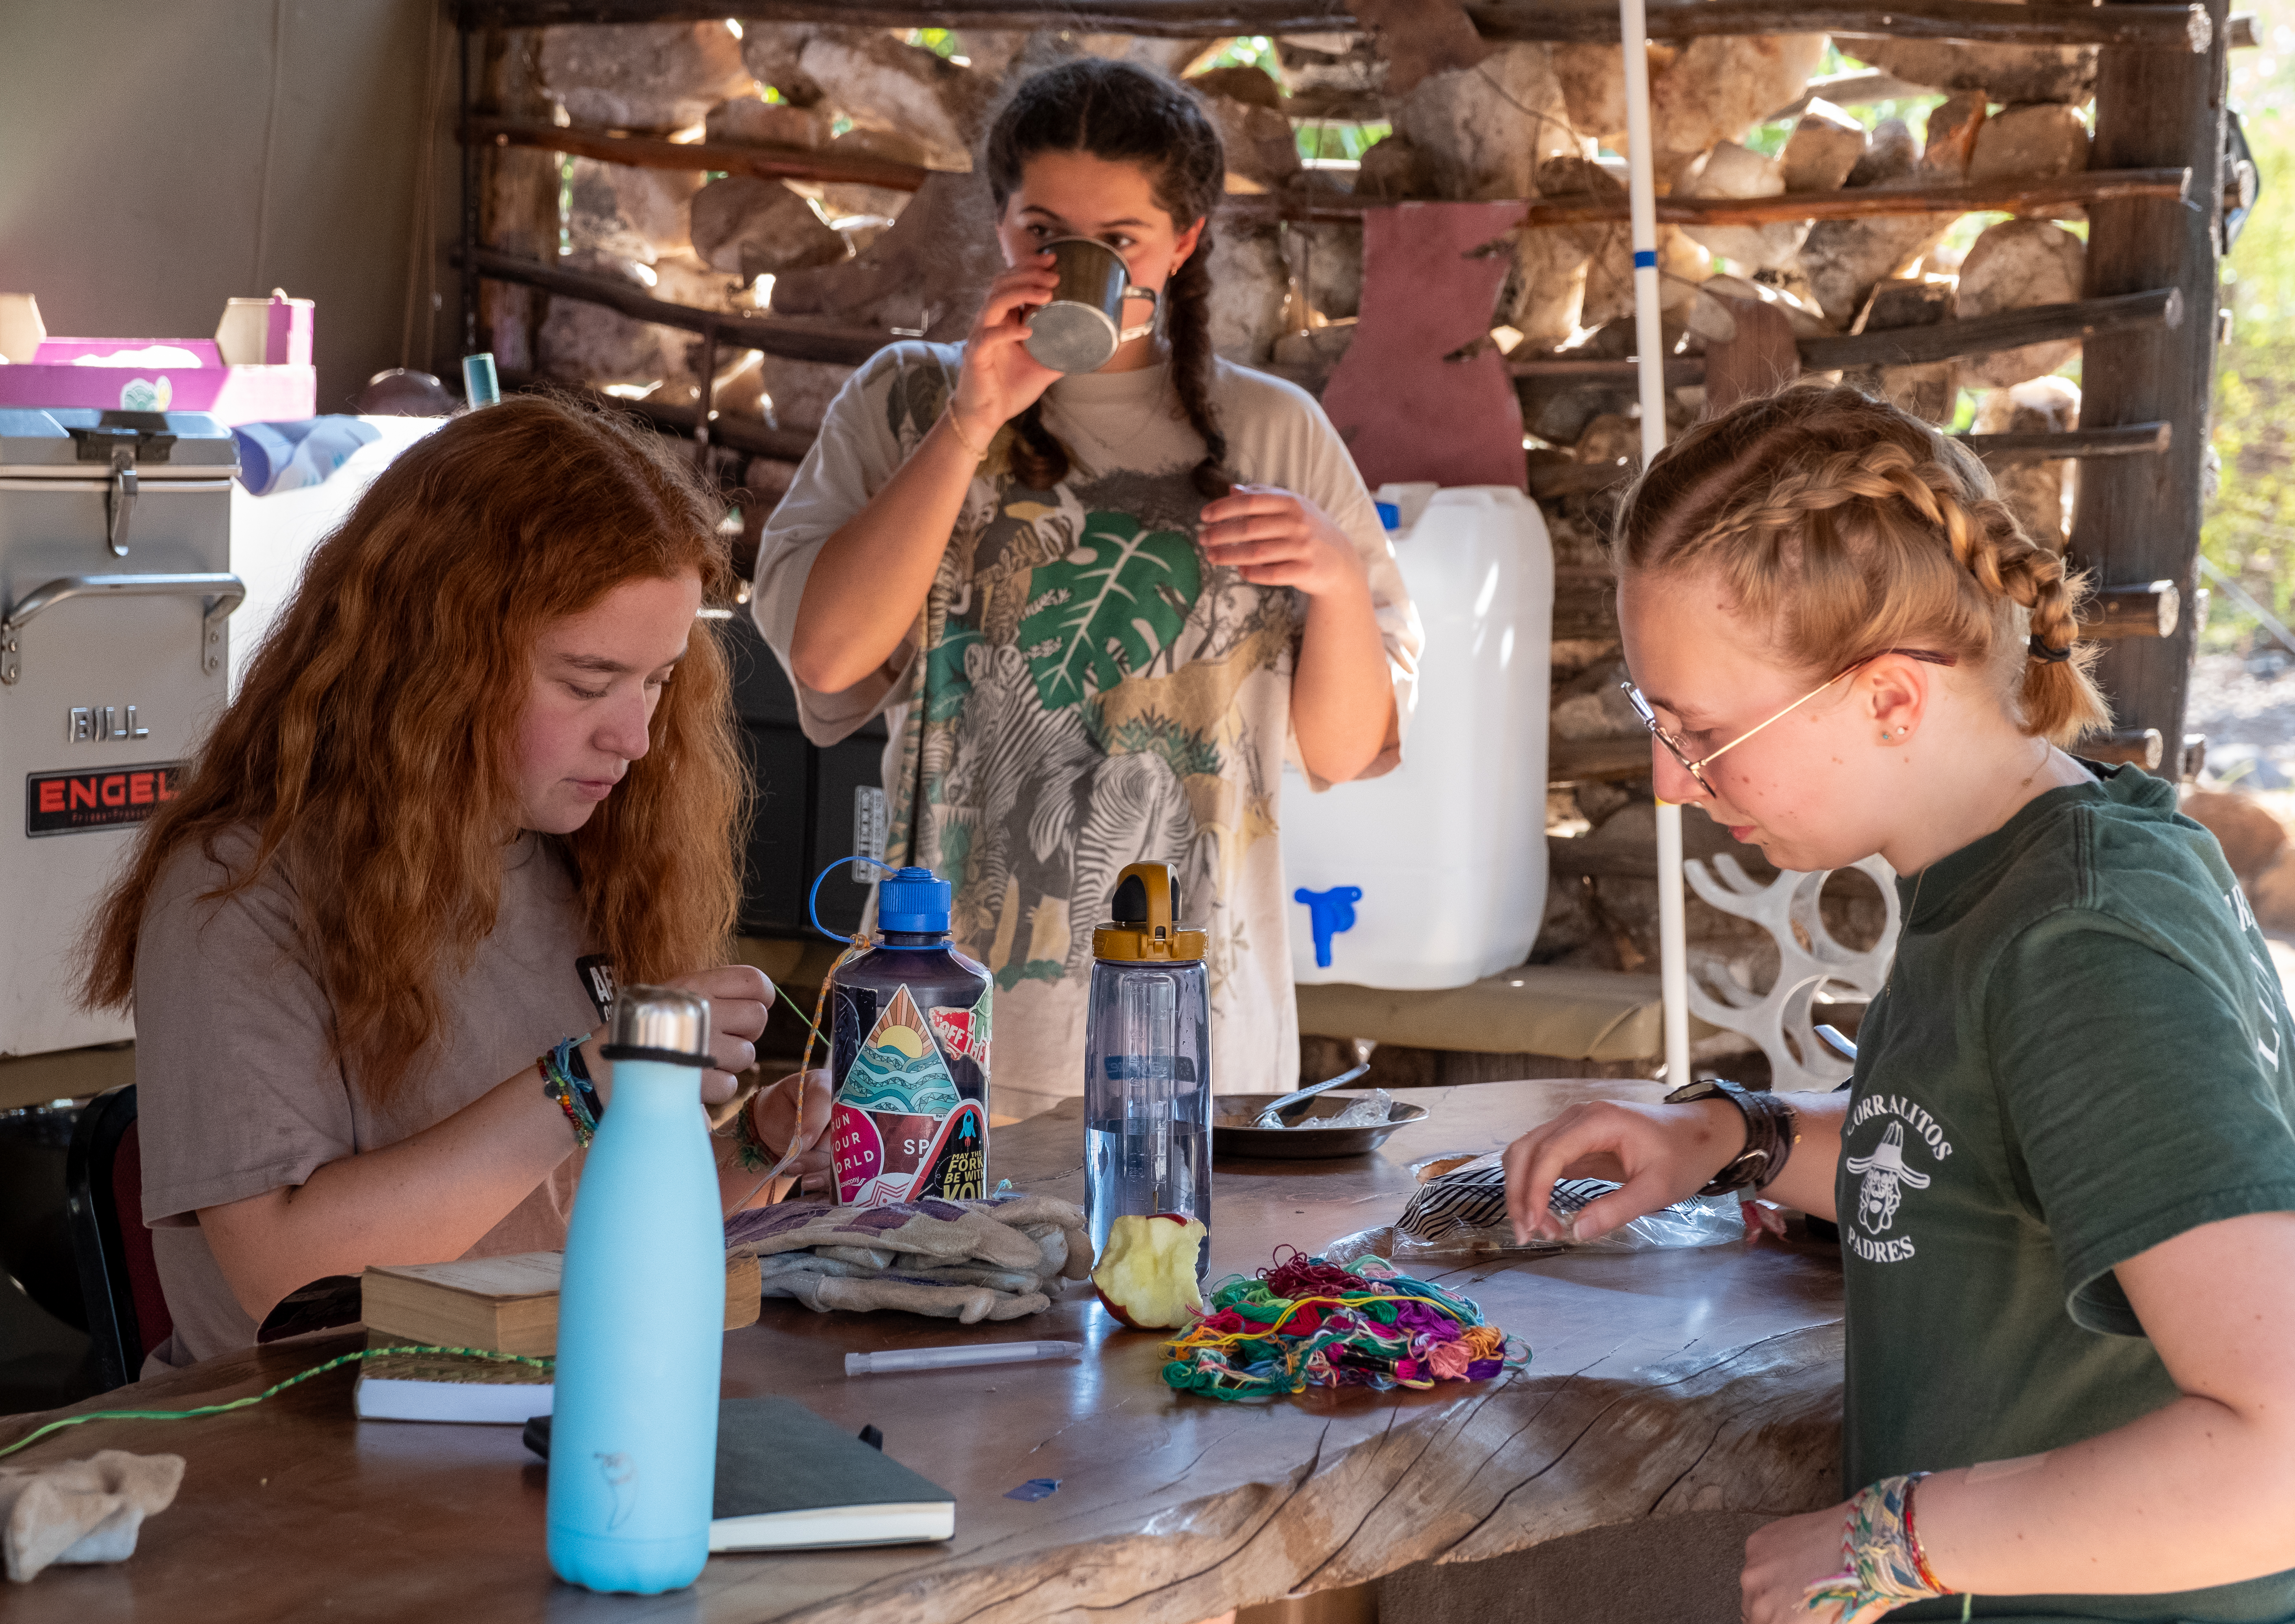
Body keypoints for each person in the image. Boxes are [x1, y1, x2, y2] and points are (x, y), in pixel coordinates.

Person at [1501, 386, 2295, 1624]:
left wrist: (1890, 1543)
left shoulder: (2084, 942)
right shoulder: (2010, 871)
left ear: (1891, 698)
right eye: (1659, 722)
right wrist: (1734, 1140)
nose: (1672, 780)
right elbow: (1973, 1163)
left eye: (1698, 729)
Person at [82, 396, 823, 1371]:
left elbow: (563, 1229)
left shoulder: (593, 855)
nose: (636, 737)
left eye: (658, 679)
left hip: (541, 1404)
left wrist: (758, 1151)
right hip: (303, 1455)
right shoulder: (240, 892)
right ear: (432, 660)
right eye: (586, 681)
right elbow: (288, 1279)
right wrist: (587, 1079)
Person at [751, 57, 1421, 1119]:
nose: (1076, 264)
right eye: (1045, 233)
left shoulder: (1275, 430)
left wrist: (1338, 580)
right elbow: (828, 660)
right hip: (935, 1026)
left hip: (1205, 1039)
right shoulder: (903, 400)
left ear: (1186, 241)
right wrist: (971, 422)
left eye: (1118, 243)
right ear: (1001, 223)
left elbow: (1343, 750)